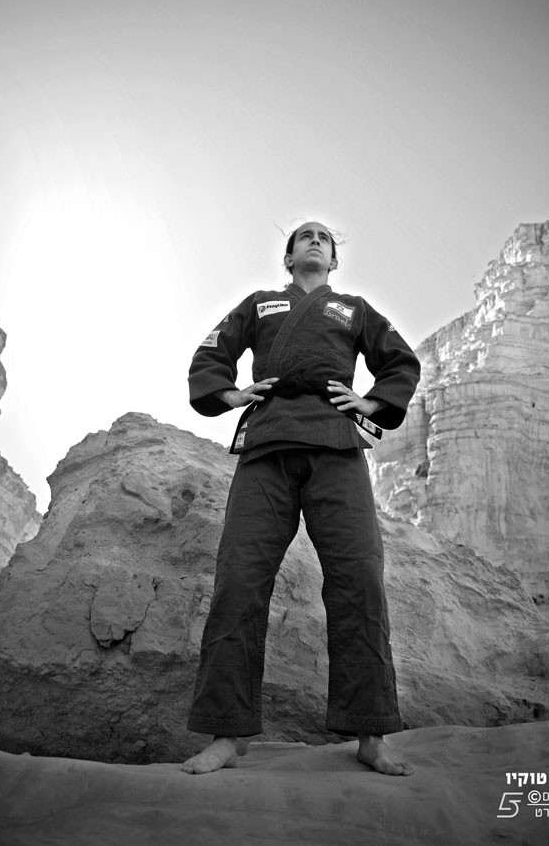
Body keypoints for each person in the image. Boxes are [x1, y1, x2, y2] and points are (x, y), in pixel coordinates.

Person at [182, 221, 421, 776]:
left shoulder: (353, 309)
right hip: (267, 443)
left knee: (359, 576)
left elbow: (400, 361)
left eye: (324, 238)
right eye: (303, 236)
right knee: (239, 578)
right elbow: (211, 352)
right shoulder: (260, 303)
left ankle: (371, 733)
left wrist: (371, 402)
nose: (314, 240)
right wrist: (230, 393)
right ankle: (226, 735)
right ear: (288, 257)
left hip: (337, 443)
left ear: (333, 260)